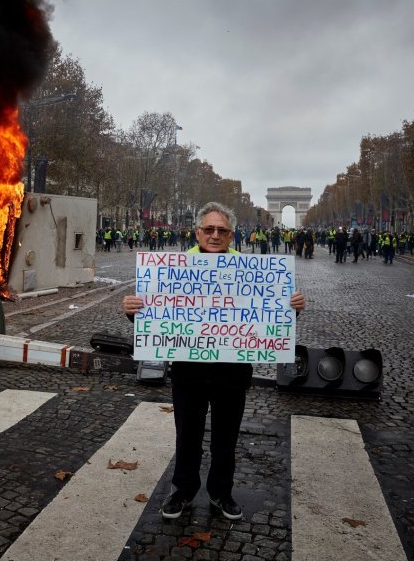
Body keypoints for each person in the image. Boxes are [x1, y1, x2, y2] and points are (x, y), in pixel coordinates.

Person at [122, 202, 306, 521]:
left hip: (232, 372)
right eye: (209, 229)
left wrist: (292, 307)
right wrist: (132, 310)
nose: (215, 235)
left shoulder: (252, 269)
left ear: (232, 235)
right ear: (198, 232)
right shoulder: (173, 267)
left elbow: (269, 315)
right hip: (188, 369)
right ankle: (183, 490)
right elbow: (152, 316)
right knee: (187, 434)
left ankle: (222, 492)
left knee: (226, 437)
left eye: (222, 230)